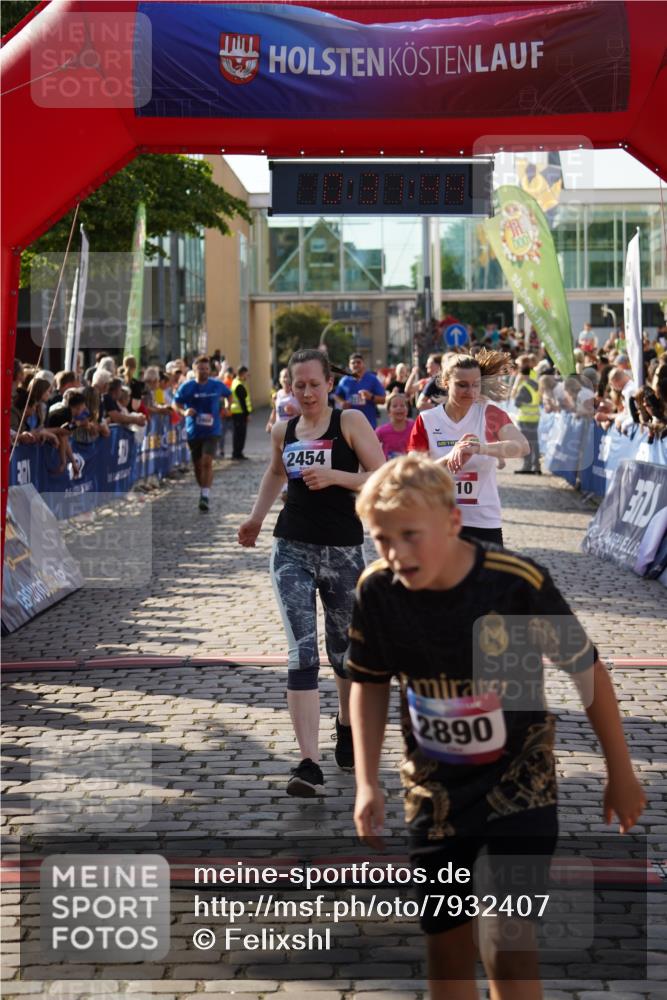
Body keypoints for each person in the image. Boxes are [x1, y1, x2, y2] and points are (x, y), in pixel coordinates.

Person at [349, 454, 646, 1000]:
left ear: (453, 523)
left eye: (411, 536)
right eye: (381, 539)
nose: (396, 554)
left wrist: (621, 772)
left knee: (510, 949)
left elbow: (587, 671)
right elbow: (368, 683)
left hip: (520, 789)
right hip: (434, 793)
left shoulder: (515, 585)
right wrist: (367, 782)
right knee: (448, 954)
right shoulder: (376, 591)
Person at [238, 348, 385, 796]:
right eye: (297, 385)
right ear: (289, 386)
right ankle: (307, 763)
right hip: (292, 549)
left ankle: (345, 725)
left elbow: (382, 475)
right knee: (302, 652)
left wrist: (338, 477)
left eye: (314, 385)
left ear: (328, 384)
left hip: (342, 551)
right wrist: (256, 518)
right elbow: (274, 474)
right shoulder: (284, 430)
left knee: (343, 653)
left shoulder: (350, 422)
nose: (306, 393)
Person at [409, 350, 529, 546]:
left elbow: (522, 447)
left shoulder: (489, 413)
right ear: (446, 382)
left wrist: (478, 448)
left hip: (483, 520)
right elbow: (414, 474)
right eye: (462, 385)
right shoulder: (427, 420)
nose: (471, 392)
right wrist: (451, 457)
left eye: (476, 385)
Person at [172, 354, 231, 511]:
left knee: (206, 461)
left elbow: (229, 395)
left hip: (213, 430)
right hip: (193, 431)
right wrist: (183, 412)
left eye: (206, 369)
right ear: (194, 369)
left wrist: (227, 407)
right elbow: (175, 403)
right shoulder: (187, 387)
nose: (204, 372)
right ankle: (203, 489)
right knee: (197, 466)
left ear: (210, 370)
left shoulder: (216, 385)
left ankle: (205, 495)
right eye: (200, 369)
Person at [335, 353, 386, 428]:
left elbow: (383, 400)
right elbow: (336, 395)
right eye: (353, 363)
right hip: (349, 424)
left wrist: (371, 397)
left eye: (358, 362)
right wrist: (342, 402)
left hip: (368, 423)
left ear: (363, 364)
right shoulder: (344, 380)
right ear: (349, 365)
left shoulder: (372, 379)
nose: (356, 364)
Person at [511, 354, 542, 474]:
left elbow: (516, 401)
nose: (518, 367)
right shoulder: (535, 378)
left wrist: (516, 388)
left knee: (526, 442)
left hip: (525, 417)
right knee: (535, 441)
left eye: (519, 365)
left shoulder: (523, 382)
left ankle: (527, 466)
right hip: (535, 416)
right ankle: (537, 466)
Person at [376, 393, 414, 460]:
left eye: (402, 405)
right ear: (388, 412)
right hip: (389, 467)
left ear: (407, 410)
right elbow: (370, 447)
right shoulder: (381, 431)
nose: (399, 408)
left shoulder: (414, 427)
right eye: (394, 406)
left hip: (409, 467)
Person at [230, 365, 253, 459]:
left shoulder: (236, 382)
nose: (248, 376)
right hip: (240, 413)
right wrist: (247, 414)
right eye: (247, 374)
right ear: (242, 374)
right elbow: (242, 402)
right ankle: (237, 453)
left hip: (237, 413)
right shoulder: (239, 385)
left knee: (237, 433)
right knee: (240, 434)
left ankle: (237, 452)